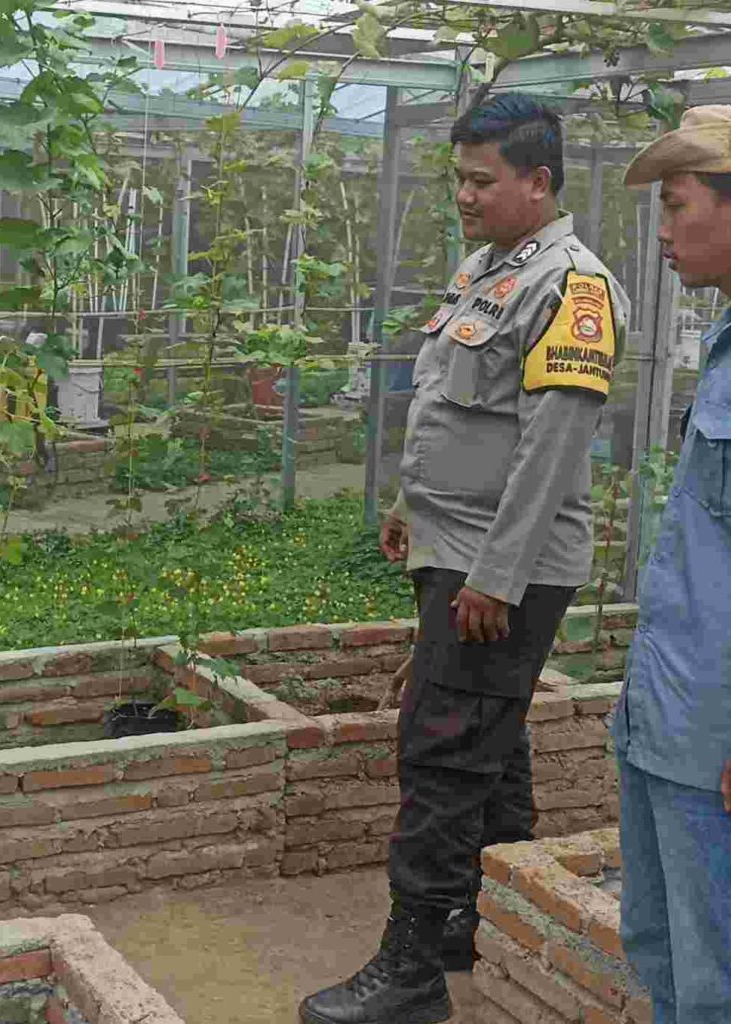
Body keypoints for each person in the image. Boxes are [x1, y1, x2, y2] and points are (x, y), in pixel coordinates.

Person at [300, 94, 630, 1024]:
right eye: (459, 179)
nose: (465, 197)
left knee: (442, 751)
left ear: (539, 181)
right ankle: (477, 913)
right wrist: (415, 507)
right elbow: (454, 403)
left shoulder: (573, 287)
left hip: (500, 563)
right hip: (460, 549)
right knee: (491, 738)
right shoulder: (488, 271)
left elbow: (551, 448)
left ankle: (409, 975)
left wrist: (496, 574)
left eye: (482, 182)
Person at [611, 105, 731, 1024]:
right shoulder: (723, 343)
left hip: (715, 734)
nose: (660, 230)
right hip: (669, 708)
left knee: (715, 974)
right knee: (661, 947)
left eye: (677, 203)